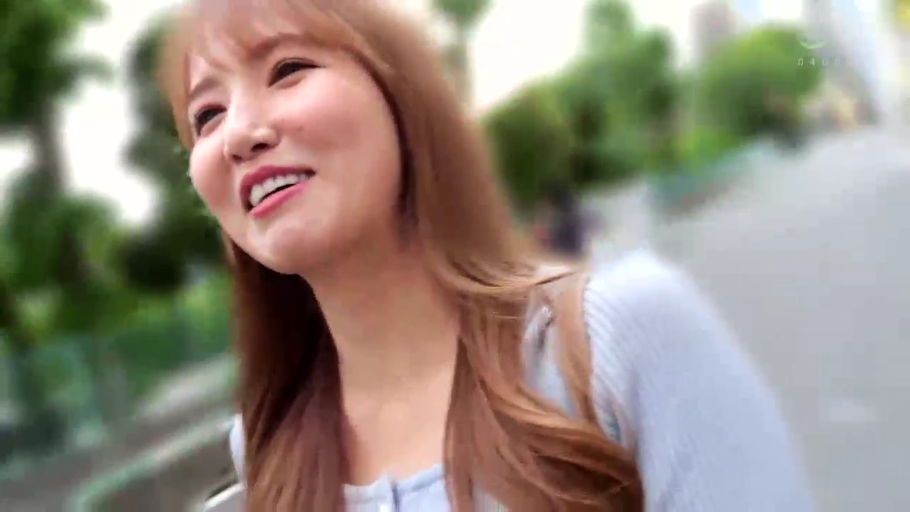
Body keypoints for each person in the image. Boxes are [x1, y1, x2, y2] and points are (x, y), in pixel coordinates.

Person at [159, 0, 816, 510]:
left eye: (287, 70)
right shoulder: (265, 451)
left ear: (400, 97)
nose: (238, 133)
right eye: (206, 116)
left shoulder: (621, 338)